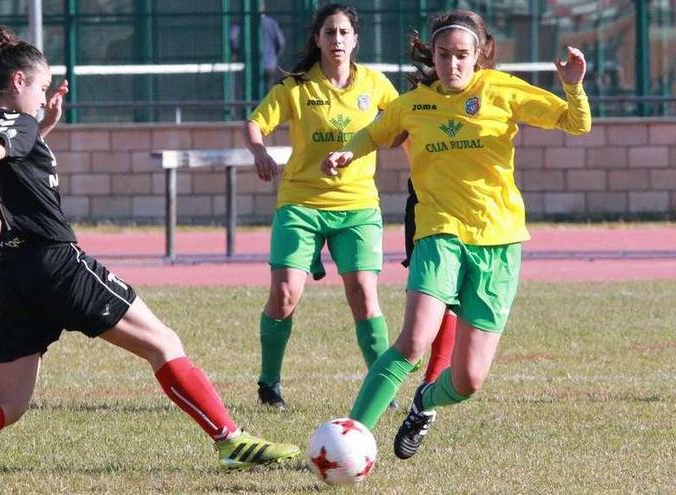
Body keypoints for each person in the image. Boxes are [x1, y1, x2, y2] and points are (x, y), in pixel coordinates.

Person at [0, 23, 299, 494]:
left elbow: (4, 149)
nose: (45, 97)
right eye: (41, 88)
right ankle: (230, 440)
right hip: (58, 264)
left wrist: (46, 125)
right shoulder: (11, 126)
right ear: (19, 82)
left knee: (11, 401)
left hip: (14, 275)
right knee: (165, 343)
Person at [322, 9, 590, 460]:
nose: (452, 65)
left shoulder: (503, 92)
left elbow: (576, 122)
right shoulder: (414, 104)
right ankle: (351, 437)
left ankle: (425, 402)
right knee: (412, 340)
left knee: (468, 381)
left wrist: (573, 86)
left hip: (500, 242)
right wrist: (346, 154)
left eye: (462, 56)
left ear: (480, 55)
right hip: (439, 233)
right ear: (433, 55)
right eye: (443, 55)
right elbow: (373, 133)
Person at [244, 4, 399, 410]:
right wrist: (259, 151)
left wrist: (404, 139)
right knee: (284, 294)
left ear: (355, 39)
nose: (337, 40)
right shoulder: (297, 87)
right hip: (301, 203)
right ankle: (269, 383)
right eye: (329, 33)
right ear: (318, 40)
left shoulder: (376, 85)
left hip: (358, 206)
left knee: (364, 294)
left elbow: (401, 122)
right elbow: (255, 123)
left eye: (344, 32)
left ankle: (382, 384)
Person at [403, 179, 457, 386]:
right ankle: (415, 343)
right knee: (423, 285)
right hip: (424, 204)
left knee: (452, 294)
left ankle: (431, 383)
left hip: (468, 208)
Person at [230, 1, 286, 93]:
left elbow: (233, 38)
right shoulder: (271, 23)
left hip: (249, 64)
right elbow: (281, 43)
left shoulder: (243, 23)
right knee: (268, 93)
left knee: (248, 92)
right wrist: (273, 57)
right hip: (269, 64)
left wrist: (237, 53)